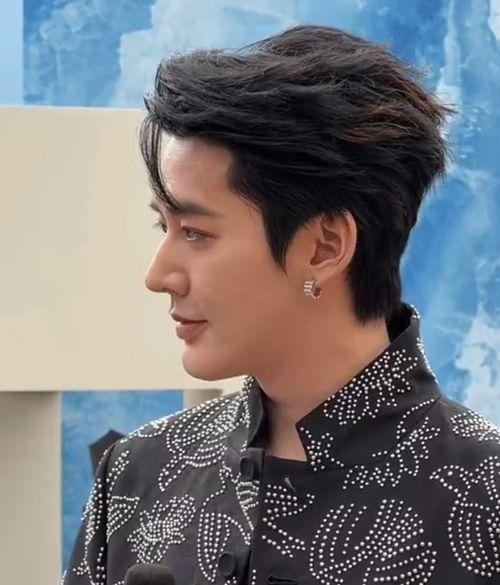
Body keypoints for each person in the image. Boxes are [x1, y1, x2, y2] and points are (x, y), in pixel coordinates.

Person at [63, 24, 500, 585]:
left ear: (324, 248)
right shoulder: (139, 473)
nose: (158, 276)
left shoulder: (485, 499)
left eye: (196, 233)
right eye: (162, 226)